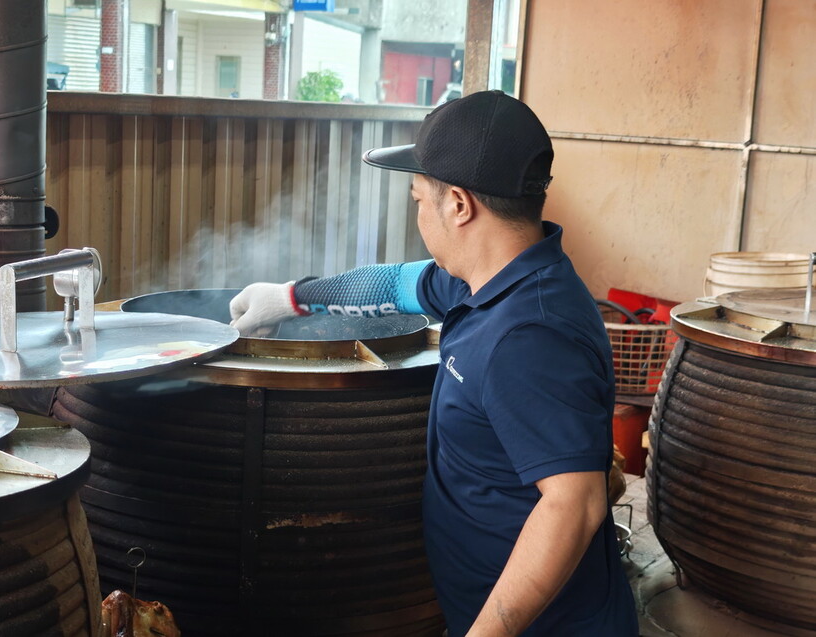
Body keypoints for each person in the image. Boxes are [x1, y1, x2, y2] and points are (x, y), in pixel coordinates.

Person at [229, 90, 638, 636]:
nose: (418, 212)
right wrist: (291, 297)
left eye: (419, 199)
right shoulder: (487, 280)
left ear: (460, 205)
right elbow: (395, 283)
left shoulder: (529, 335)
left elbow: (574, 505)